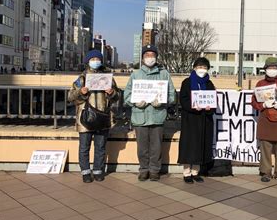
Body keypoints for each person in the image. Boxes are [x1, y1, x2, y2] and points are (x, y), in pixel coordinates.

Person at [124, 45, 176, 181]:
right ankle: (143, 169)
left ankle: (154, 170)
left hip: (157, 115)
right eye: (147, 55)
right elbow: (126, 95)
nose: (149, 58)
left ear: (156, 57)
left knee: (156, 147)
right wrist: (134, 102)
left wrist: (163, 101)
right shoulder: (135, 74)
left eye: (152, 55)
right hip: (139, 116)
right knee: (142, 147)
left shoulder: (164, 74)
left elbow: (172, 94)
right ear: (142, 58)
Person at [68, 50, 120, 183]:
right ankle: (85, 172)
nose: (95, 61)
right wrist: (81, 92)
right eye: (93, 59)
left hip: (103, 116)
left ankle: (98, 170)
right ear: (88, 61)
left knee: (100, 146)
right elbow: (71, 97)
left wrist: (112, 93)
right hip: (85, 118)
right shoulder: (82, 78)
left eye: (98, 59)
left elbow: (118, 96)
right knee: (84, 147)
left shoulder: (108, 77)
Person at [178, 57, 216, 183]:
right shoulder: (187, 82)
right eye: (200, 67)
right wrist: (194, 107)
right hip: (190, 119)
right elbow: (183, 100)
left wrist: (210, 107)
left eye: (205, 67)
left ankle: (196, 172)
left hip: (205, 119)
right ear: (194, 68)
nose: (202, 69)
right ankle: (186, 172)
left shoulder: (209, 84)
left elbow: (214, 101)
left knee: (201, 145)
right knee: (189, 145)